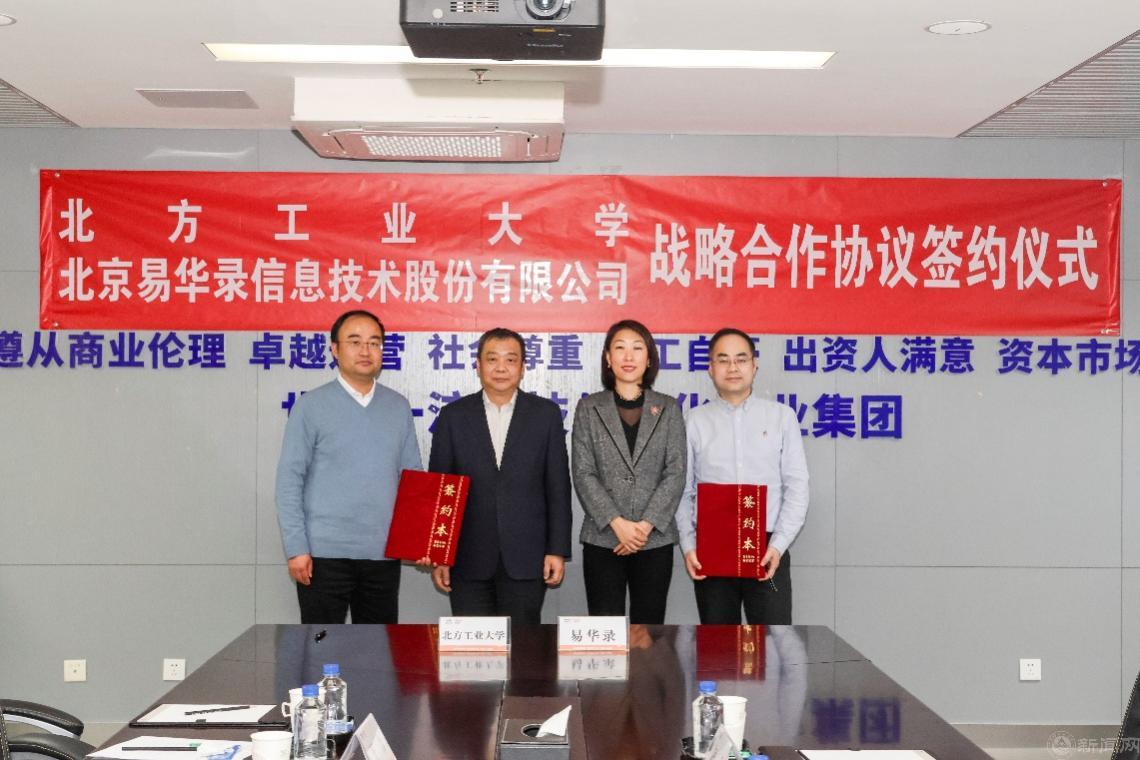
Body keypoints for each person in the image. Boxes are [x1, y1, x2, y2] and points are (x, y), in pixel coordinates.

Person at [275, 309, 422, 624]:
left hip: (382, 554)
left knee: (377, 648)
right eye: (355, 342)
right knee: (322, 646)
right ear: (335, 349)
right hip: (323, 555)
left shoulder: (398, 407)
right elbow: (289, 481)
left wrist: (419, 541)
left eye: (374, 343)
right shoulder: (310, 406)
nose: (365, 351)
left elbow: (413, 480)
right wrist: (296, 548)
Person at [426, 327, 572, 625]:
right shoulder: (454, 415)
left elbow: (557, 487)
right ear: (478, 365)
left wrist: (556, 550)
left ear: (523, 367)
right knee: (473, 648)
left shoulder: (545, 414)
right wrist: (440, 554)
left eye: (510, 360)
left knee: (523, 646)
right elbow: (440, 488)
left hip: (527, 557)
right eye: (492, 359)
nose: (501, 368)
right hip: (467, 558)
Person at [676, 327, 809, 624]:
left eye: (741, 359)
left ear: (754, 364)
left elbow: (797, 486)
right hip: (712, 549)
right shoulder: (694, 421)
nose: (732, 367)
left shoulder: (781, 417)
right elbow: (682, 491)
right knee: (718, 645)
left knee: (774, 641)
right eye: (723, 360)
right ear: (711, 368)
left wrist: (779, 545)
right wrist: (689, 545)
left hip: (767, 549)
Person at [571, 319, 687, 624]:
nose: (628, 356)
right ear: (608, 358)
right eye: (620, 348)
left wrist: (644, 527)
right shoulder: (588, 408)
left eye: (637, 348)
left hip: (654, 540)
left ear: (649, 359)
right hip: (603, 538)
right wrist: (617, 523)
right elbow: (583, 472)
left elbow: (675, 472)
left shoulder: (669, 408)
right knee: (605, 632)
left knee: (648, 635)